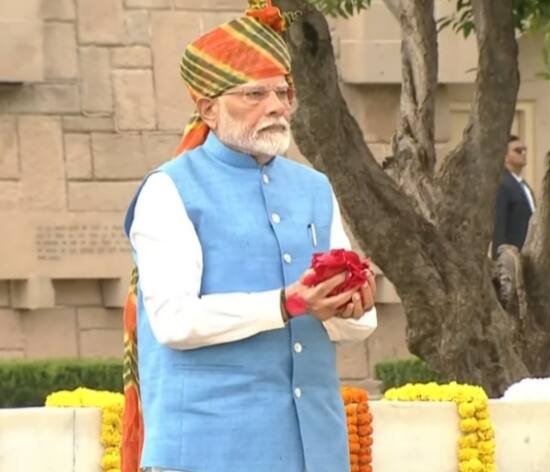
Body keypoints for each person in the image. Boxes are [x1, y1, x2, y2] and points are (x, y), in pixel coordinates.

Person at [120, 2, 377, 472]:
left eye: (282, 92)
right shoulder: (170, 189)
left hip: (315, 451)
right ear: (208, 109)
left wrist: (353, 306)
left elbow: (346, 327)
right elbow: (174, 322)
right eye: (255, 94)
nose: (277, 106)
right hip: (208, 451)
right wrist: (288, 303)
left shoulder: (314, 187)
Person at [491, 135, 536, 259]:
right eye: (517, 150)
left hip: (530, 254)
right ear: (504, 157)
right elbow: (499, 224)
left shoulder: (524, 185)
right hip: (512, 257)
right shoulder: (502, 184)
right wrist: (500, 261)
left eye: (524, 150)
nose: (523, 153)